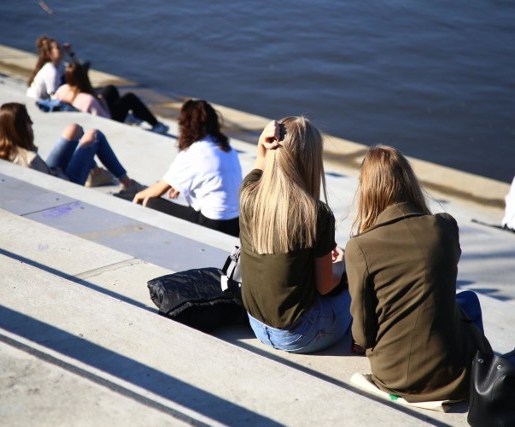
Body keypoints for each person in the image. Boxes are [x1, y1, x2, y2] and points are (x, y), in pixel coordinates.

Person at [345, 145, 492, 403]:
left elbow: (362, 336)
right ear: (408, 181)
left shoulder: (360, 247)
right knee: (468, 301)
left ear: (367, 191)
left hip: (396, 377)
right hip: (455, 375)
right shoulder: (445, 227)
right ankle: (482, 368)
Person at [238, 117, 351, 354]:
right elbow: (325, 287)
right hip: (301, 334)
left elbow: (260, 164)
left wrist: (262, 143)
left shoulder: (248, 193)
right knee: (357, 286)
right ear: (311, 161)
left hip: (257, 324)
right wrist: (341, 265)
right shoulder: (316, 213)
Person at [130, 99, 241, 236]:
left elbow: (156, 191)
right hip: (236, 222)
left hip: (214, 224)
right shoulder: (227, 148)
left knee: (151, 202)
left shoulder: (194, 152)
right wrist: (177, 184)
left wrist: (137, 197)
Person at [0, 102, 141, 192]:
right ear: (19, 127)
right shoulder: (30, 160)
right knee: (95, 136)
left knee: (74, 129)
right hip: (65, 185)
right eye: (28, 120)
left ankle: (94, 172)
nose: (32, 124)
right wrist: (59, 173)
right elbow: (52, 189)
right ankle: (127, 184)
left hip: (49, 172)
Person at [54, 63, 169, 134]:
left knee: (110, 89)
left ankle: (134, 116)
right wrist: (100, 103)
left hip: (84, 110)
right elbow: (105, 119)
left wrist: (100, 100)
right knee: (130, 98)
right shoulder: (88, 99)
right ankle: (156, 125)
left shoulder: (63, 89)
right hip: (109, 119)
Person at [26, 35, 81, 101]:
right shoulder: (50, 70)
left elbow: (78, 70)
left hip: (43, 101)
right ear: (49, 53)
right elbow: (54, 97)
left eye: (61, 47)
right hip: (35, 102)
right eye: (58, 48)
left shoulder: (60, 66)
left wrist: (71, 53)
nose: (61, 50)